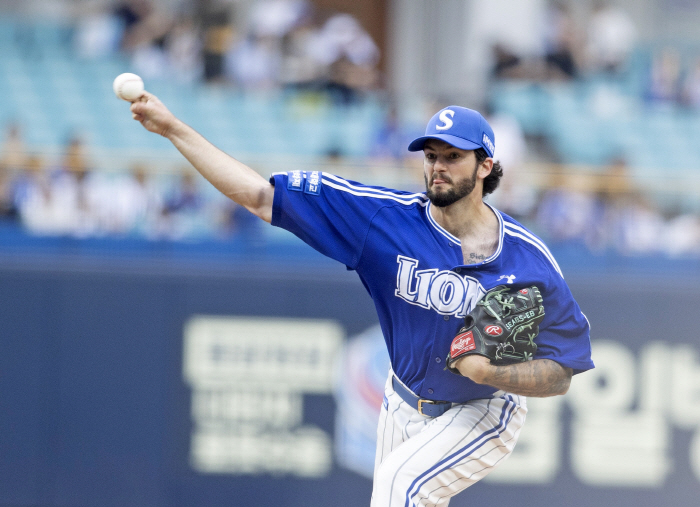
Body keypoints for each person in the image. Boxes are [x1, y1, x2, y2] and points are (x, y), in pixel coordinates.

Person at [128, 95, 594, 506]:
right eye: (432, 155)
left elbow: (562, 371)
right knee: (400, 493)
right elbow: (258, 197)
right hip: (400, 400)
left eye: (453, 156)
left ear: (486, 165)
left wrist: (493, 372)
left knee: (403, 485)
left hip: (483, 408)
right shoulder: (384, 221)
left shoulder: (528, 259)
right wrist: (173, 129)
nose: (438, 166)